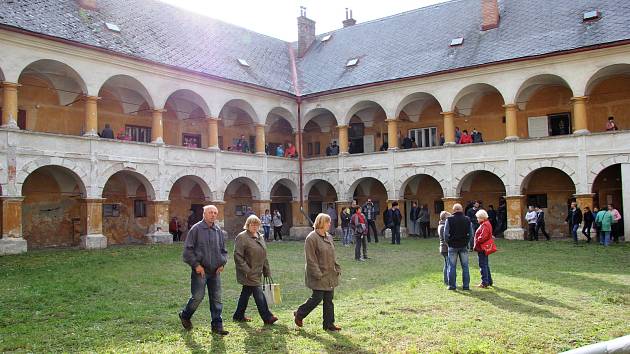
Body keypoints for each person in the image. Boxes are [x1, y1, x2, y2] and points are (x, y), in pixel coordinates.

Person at [179, 205, 229, 335]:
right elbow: (187, 251)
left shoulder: (218, 230)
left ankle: (217, 325)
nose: (213, 215)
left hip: (215, 271)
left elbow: (224, 251)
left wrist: (222, 263)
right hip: (200, 271)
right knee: (197, 297)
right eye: (210, 212)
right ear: (204, 214)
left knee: (217, 299)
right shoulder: (196, 229)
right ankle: (185, 315)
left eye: (215, 213)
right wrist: (196, 265)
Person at [294, 213, 342, 332]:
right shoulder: (311, 238)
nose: (330, 224)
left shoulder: (329, 236)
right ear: (321, 223)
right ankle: (299, 313)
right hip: (318, 274)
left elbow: (333, 254)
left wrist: (337, 267)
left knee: (329, 300)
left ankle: (329, 324)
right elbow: (310, 259)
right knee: (317, 298)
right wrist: (317, 274)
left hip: (330, 273)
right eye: (328, 222)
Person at [232, 215, 278, 325]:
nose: (254, 226)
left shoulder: (259, 236)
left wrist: (267, 271)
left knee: (246, 293)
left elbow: (264, 255)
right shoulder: (242, 237)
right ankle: (267, 317)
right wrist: (247, 270)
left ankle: (238, 315)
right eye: (252, 224)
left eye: (257, 224)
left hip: (258, 272)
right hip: (248, 273)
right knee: (258, 293)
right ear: (247, 225)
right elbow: (237, 255)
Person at [444, 203, 473, 291]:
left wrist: (448, 243)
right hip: (463, 245)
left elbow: (445, 234)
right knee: (465, 266)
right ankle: (466, 286)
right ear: (461, 209)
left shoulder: (449, 219)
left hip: (452, 245)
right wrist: (467, 242)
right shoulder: (467, 219)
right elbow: (471, 234)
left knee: (452, 266)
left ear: (454, 210)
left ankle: (452, 286)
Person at [473, 209, 495, 288]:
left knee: (482, 265)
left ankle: (484, 282)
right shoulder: (486, 223)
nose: (477, 219)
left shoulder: (485, 224)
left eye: (478, 218)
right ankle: (489, 281)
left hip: (482, 247)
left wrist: (477, 240)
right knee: (485, 264)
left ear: (482, 217)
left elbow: (483, 237)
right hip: (484, 247)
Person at [438, 211, 451, 286]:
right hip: (445, 248)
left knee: (446, 264)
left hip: (443, 248)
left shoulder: (442, 225)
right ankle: (447, 280)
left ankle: (447, 280)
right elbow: (445, 238)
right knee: (447, 264)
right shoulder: (443, 226)